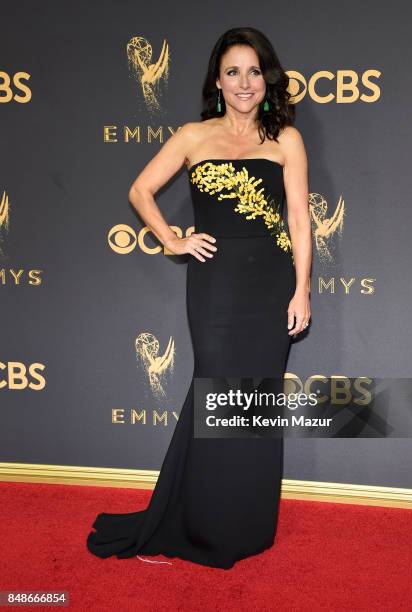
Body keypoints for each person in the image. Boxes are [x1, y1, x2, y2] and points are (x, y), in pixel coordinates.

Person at [87, 26, 312, 570]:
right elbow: (140, 190)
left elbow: (301, 220)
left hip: (270, 284)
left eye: (254, 71)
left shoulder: (286, 139)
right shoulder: (192, 136)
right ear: (217, 79)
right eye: (233, 71)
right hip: (214, 288)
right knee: (217, 395)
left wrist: (303, 289)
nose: (244, 82)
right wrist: (174, 239)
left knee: (255, 403)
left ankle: (248, 523)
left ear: (267, 79)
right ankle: (200, 524)